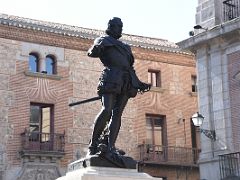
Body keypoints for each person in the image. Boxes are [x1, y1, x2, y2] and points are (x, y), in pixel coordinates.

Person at [87, 17, 150, 156]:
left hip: (126, 81)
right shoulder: (103, 40)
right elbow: (92, 52)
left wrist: (139, 83)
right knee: (107, 109)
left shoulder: (126, 47)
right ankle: (93, 144)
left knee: (117, 114)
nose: (120, 29)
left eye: (121, 26)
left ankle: (110, 146)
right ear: (110, 26)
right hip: (110, 78)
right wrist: (97, 49)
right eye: (117, 26)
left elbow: (129, 67)